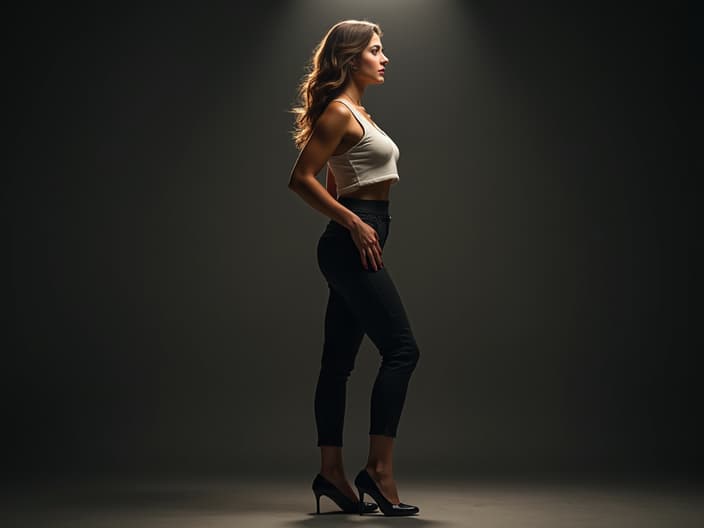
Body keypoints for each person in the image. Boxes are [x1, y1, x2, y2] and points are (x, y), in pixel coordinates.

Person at [287, 19, 420, 517]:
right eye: (376, 51)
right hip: (353, 238)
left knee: (337, 364)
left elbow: (337, 176)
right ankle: (378, 472)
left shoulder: (358, 112)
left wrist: (360, 224)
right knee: (403, 350)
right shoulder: (340, 113)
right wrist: (353, 225)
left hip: (361, 234)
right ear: (350, 58)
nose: (384, 59)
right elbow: (301, 179)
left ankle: (332, 474)